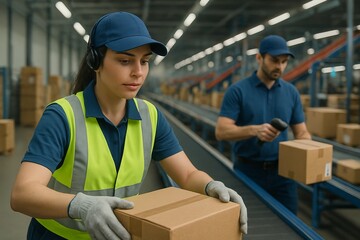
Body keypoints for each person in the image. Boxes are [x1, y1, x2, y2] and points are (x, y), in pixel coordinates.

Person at [10, 12, 247, 240]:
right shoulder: (63, 116)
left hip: (118, 234)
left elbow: (186, 174)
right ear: (96, 61)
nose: (138, 72)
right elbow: (23, 193)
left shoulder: (150, 116)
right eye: (125, 60)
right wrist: (80, 206)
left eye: (144, 61)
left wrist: (210, 186)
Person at [215, 35, 311, 214]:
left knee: (290, 225)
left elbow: (302, 132)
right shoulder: (238, 91)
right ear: (259, 58)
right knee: (248, 224)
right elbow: (221, 131)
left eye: (284, 62)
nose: (280, 67)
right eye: (274, 60)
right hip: (248, 171)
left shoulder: (291, 93)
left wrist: (306, 150)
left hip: (283, 174)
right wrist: (254, 130)